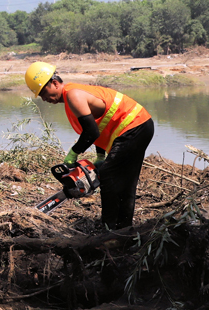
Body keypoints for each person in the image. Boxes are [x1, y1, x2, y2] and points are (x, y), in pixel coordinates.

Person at [25, 61, 155, 230]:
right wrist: (100, 155)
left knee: (108, 174)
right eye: (41, 96)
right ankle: (123, 228)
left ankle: (109, 228)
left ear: (55, 83)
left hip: (134, 126)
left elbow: (91, 132)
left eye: (44, 92)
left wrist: (74, 152)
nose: (44, 99)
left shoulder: (73, 95)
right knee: (126, 180)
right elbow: (99, 126)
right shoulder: (73, 96)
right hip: (139, 125)